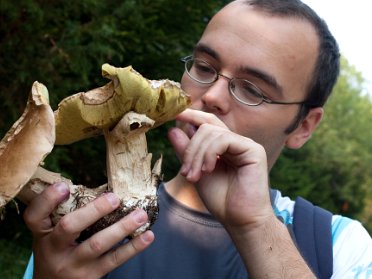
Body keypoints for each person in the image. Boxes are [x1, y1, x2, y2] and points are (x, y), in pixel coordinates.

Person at [23, 0, 372, 278]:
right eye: (204, 67)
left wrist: (255, 227)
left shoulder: (338, 245)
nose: (213, 95)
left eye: (251, 89)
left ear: (304, 127)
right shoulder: (83, 224)